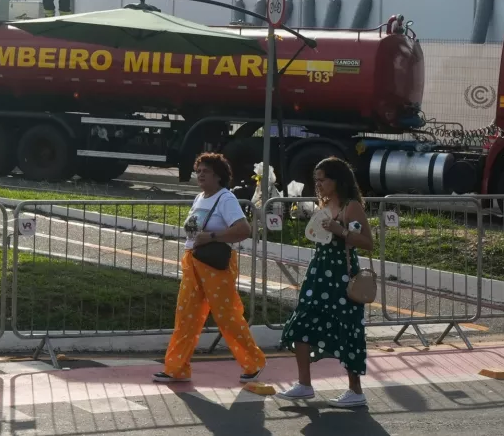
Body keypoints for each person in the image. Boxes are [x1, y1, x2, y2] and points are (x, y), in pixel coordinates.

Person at [152, 152, 267, 384]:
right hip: (192, 262)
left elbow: (243, 229)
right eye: (199, 171)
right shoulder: (199, 198)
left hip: (216, 266)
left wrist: (212, 236)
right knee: (185, 317)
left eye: (206, 171)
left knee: (227, 316)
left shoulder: (225, 199)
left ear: (219, 176)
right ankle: (176, 368)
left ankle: (253, 362)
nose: (201, 175)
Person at [276, 157, 374, 408]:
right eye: (316, 180)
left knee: (347, 327)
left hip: (342, 274)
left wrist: (338, 229)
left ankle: (355, 390)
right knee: (301, 322)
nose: (318, 185)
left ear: (337, 180)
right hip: (319, 272)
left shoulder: (351, 206)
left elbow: (367, 242)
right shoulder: (324, 203)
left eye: (323, 179)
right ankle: (304, 384)